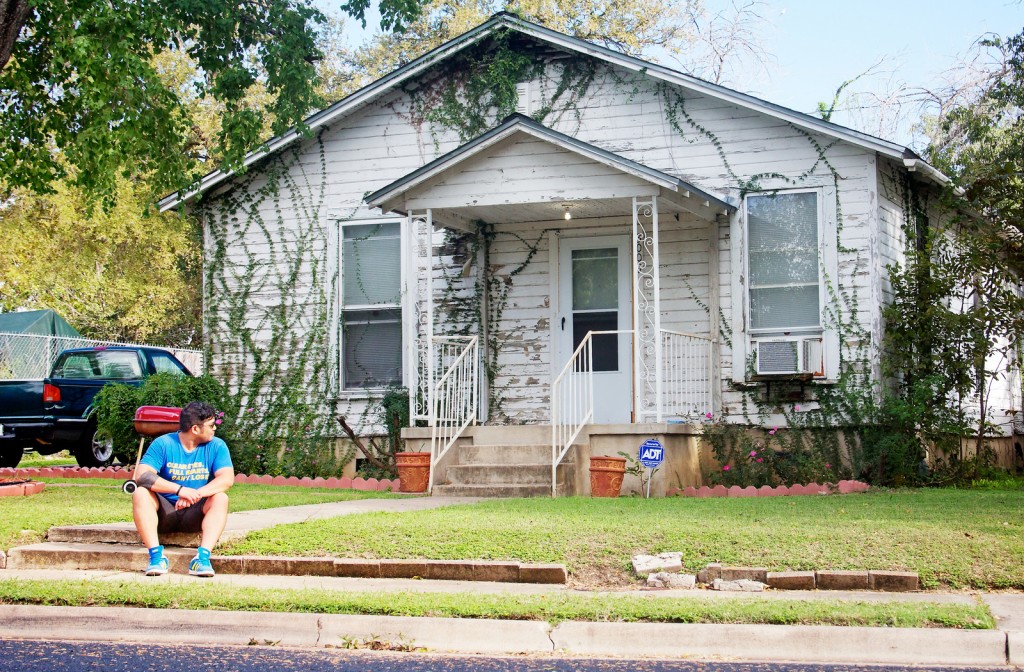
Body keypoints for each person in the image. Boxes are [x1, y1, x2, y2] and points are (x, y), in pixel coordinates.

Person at [131, 401, 234, 577]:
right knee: (140, 493)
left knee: (221, 498)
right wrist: (180, 490)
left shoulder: (217, 446)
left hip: (196, 512)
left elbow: (226, 479)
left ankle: (202, 559)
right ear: (195, 429)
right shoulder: (163, 443)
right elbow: (142, 476)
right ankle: (156, 557)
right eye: (210, 425)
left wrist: (195, 494)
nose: (214, 429)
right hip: (165, 512)